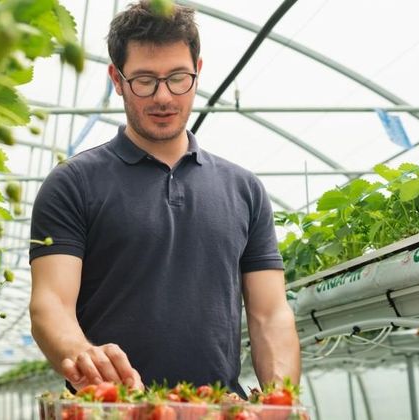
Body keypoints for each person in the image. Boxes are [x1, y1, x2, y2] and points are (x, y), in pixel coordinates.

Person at [28, 0, 299, 397]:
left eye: (178, 78)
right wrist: (84, 355)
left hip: (215, 407)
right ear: (117, 80)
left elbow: (270, 314)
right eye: (144, 80)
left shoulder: (244, 190)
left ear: (198, 72)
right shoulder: (72, 184)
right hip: (113, 407)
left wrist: (281, 397)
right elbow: (50, 304)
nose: (164, 97)